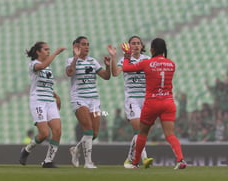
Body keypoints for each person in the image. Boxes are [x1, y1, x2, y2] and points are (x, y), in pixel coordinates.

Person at [121, 38, 187, 169]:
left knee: (142, 133)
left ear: (152, 49)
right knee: (170, 134)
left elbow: (126, 68)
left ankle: (134, 163)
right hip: (168, 102)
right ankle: (180, 160)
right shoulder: (171, 64)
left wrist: (127, 56)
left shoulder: (147, 63)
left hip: (152, 102)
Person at [65, 36, 112, 168]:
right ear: (77, 47)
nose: (87, 47)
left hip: (94, 100)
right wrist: (75, 58)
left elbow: (106, 76)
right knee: (88, 130)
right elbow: (69, 73)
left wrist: (108, 67)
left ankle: (76, 149)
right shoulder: (70, 61)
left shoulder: (93, 61)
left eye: (88, 44)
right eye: (84, 44)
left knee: (94, 134)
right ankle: (88, 162)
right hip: (79, 99)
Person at [19, 42, 66, 168]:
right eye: (46, 50)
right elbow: (42, 66)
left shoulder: (48, 68)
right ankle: (27, 150)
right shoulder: (33, 64)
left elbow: (46, 85)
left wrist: (56, 96)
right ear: (38, 52)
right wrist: (56, 53)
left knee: (57, 131)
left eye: (49, 50)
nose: (48, 51)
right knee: (44, 133)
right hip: (38, 101)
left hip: (50, 101)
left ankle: (48, 161)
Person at [110, 35, 153, 168]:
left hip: (146, 99)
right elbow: (115, 73)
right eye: (133, 43)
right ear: (128, 46)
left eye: (138, 43)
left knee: (142, 132)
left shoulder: (147, 60)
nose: (135, 45)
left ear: (141, 46)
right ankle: (144, 158)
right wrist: (113, 57)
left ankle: (129, 159)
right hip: (132, 99)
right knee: (139, 129)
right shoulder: (124, 60)